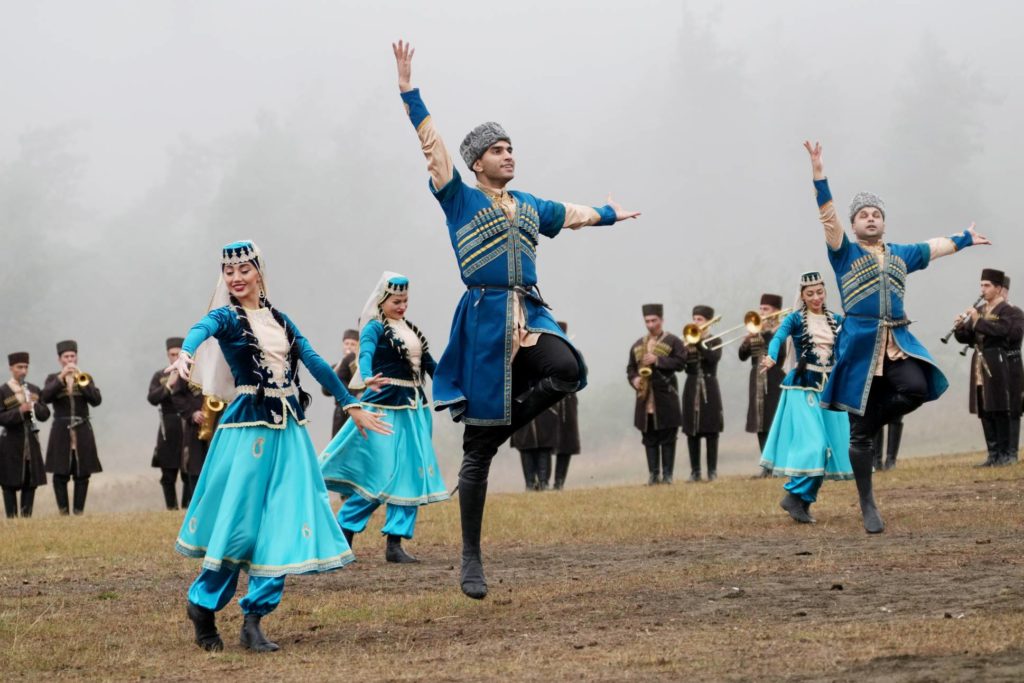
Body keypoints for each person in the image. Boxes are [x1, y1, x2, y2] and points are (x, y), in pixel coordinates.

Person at [393, 40, 639, 599]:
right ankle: (470, 557)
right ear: (477, 161)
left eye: (510, 148)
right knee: (476, 453)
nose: (508, 155)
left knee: (568, 368)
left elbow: (570, 214)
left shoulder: (527, 204)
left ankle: (500, 425)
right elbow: (433, 148)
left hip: (528, 312)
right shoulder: (458, 198)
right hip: (484, 321)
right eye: (497, 150)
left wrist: (609, 214)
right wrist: (411, 94)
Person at [167, 240, 390, 653]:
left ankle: (254, 620)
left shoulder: (280, 320)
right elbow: (202, 328)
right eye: (229, 272)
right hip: (248, 429)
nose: (236, 278)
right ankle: (203, 604)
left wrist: (351, 403)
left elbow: (315, 362)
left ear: (259, 272)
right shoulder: (227, 317)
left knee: (283, 522)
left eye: (244, 270)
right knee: (239, 527)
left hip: (289, 431)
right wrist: (186, 353)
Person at [803, 140, 989, 533]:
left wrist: (964, 238)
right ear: (854, 224)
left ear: (884, 223)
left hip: (898, 344)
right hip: (859, 347)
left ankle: (870, 423)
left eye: (876, 215)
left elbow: (933, 247)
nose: (870, 219)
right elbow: (828, 218)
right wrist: (819, 174)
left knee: (917, 388)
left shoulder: (902, 254)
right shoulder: (843, 253)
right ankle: (867, 503)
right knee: (859, 435)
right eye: (863, 215)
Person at [320, 273, 448, 564]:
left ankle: (395, 543)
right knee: (380, 474)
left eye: (405, 301)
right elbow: (365, 355)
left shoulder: (411, 330)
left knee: (409, 475)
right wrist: (366, 376)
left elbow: (430, 365)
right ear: (382, 300)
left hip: (414, 411)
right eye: (396, 301)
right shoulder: (374, 328)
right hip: (383, 409)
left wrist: (455, 385)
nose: (402, 306)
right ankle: (344, 532)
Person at [760, 272, 852, 523]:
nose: (816, 297)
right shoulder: (794, 319)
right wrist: (771, 356)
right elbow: (778, 337)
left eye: (819, 292)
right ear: (802, 296)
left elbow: (854, 336)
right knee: (815, 445)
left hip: (828, 388)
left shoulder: (835, 320)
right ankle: (793, 495)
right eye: (810, 294)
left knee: (829, 447)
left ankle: (802, 501)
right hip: (802, 387)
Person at [953, 269, 1014, 467]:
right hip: (979, 361)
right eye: (981, 285)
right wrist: (959, 328)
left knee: (999, 406)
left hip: (996, 359)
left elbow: (1003, 331)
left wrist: (977, 321)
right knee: (984, 407)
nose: (983, 289)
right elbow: (969, 338)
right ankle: (993, 455)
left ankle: (1005, 454)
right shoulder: (979, 309)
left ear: (998, 288)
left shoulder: (1006, 310)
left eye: (987, 285)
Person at [626, 304, 685, 484]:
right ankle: (653, 476)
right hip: (645, 399)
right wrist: (634, 379)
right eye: (647, 321)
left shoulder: (673, 341)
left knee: (668, 437)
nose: (650, 324)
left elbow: (680, 363)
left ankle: (667, 476)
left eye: (654, 320)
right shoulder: (638, 345)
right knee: (649, 438)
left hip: (666, 397)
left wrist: (657, 360)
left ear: (662, 320)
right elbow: (630, 369)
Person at [41, 340, 102, 515]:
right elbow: (45, 397)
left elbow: (96, 400)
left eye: (72, 356)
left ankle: (78, 511)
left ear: (77, 357)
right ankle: (63, 512)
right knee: (60, 474)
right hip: (61, 430)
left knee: (82, 473)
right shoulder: (52, 378)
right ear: (59, 359)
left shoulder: (85, 377)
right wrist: (61, 377)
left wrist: (81, 380)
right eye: (66, 357)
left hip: (82, 429)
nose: (70, 360)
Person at [737, 294, 786, 476]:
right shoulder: (756, 331)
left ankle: (778, 465)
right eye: (761, 308)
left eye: (766, 309)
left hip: (775, 379)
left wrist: (764, 334)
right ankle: (766, 466)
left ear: (776, 311)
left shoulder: (782, 330)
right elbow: (742, 356)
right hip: (757, 379)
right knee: (760, 423)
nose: (761, 312)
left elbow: (780, 354)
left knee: (774, 422)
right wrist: (747, 340)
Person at [0, 352, 50, 517]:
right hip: (10, 444)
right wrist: (20, 411)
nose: (23, 371)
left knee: (30, 483)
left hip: (31, 443)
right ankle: (12, 521)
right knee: (8, 484)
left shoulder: (34, 389)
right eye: (19, 367)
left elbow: (45, 415)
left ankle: (26, 522)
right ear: (11, 368)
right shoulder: (3, 390)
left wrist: (35, 405)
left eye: (26, 367)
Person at [147, 337, 192, 510]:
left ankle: (187, 507)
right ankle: (171, 508)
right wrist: (168, 386)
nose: (175, 358)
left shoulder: (193, 373)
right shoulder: (160, 375)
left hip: (188, 425)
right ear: (168, 355)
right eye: (172, 354)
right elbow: (152, 398)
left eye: (178, 354)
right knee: (168, 473)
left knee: (189, 471)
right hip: (168, 427)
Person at [681, 305, 724, 481]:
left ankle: (712, 471)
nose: (695, 322)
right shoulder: (687, 341)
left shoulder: (715, 340)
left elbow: (713, 358)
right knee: (692, 430)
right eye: (694, 319)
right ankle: (695, 471)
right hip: (692, 385)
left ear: (708, 322)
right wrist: (682, 350)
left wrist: (698, 342)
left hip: (709, 384)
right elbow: (682, 366)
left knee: (711, 429)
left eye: (699, 319)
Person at [552, 321, 581, 490]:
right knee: (546, 442)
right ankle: (542, 481)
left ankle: (559, 483)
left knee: (566, 443)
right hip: (548, 402)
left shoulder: (575, 353)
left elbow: (582, 373)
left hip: (567, 403)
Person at [321, 329, 360, 438]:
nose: (349, 347)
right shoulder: (336, 367)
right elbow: (325, 391)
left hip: (356, 410)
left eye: (353, 344)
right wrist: (337, 370)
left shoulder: (360, 368)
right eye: (346, 343)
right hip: (340, 412)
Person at [1001, 276, 1023, 464]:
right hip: (992, 363)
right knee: (995, 407)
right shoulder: (984, 312)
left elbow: (1014, 335)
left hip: (1012, 362)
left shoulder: (1015, 312)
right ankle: (998, 454)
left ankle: (1012, 453)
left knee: (1014, 406)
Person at [511, 403, 559, 491]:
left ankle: (543, 483)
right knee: (526, 448)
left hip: (545, 415)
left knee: (544, 448)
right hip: (522, 415)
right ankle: (530, 484)